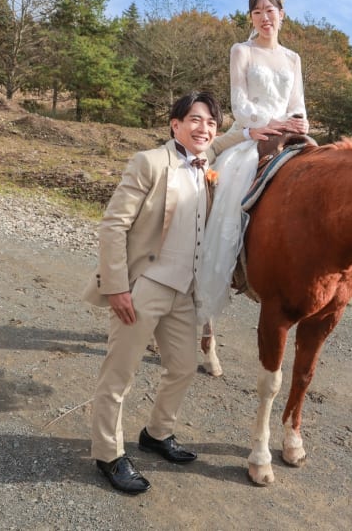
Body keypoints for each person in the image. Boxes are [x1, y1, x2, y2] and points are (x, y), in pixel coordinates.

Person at [82, 92, 276, 495]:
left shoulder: (210, 164)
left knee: (184, 367)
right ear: (175, 124)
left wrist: (253, 131)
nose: (203, 128)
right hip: (145, 285)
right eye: (194, 119)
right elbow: (112, 226)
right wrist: (118, 286)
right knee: (120, 375)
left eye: (210, 122)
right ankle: (108, 454)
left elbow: (222, 143)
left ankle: (157, 433)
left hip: (185, 292)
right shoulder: (150, 162)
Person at [195, 0, 309, 323]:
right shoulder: (241, 51)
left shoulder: (293, 58)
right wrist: (266, 124)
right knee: (229, 180)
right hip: (251, 131)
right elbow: (240, 105)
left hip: (287, 131)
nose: (264, 17)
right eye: (257, 12)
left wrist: (298, 122)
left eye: (270, 10)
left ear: (282, 14)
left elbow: (298, 103)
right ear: (251, 18)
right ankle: (219, 259)